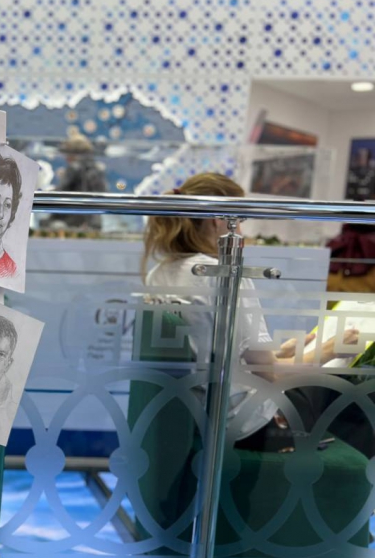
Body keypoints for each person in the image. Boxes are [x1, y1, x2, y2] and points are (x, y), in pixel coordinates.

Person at [142, 173, 358, 452]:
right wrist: (331, 349)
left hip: (190, 414)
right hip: (239, 425)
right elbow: (271, 374)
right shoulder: (222, 275)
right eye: (240, 220)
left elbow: (214, 355)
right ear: (218, 220)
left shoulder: (160, 273)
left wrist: (281, 352)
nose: (242, 232)